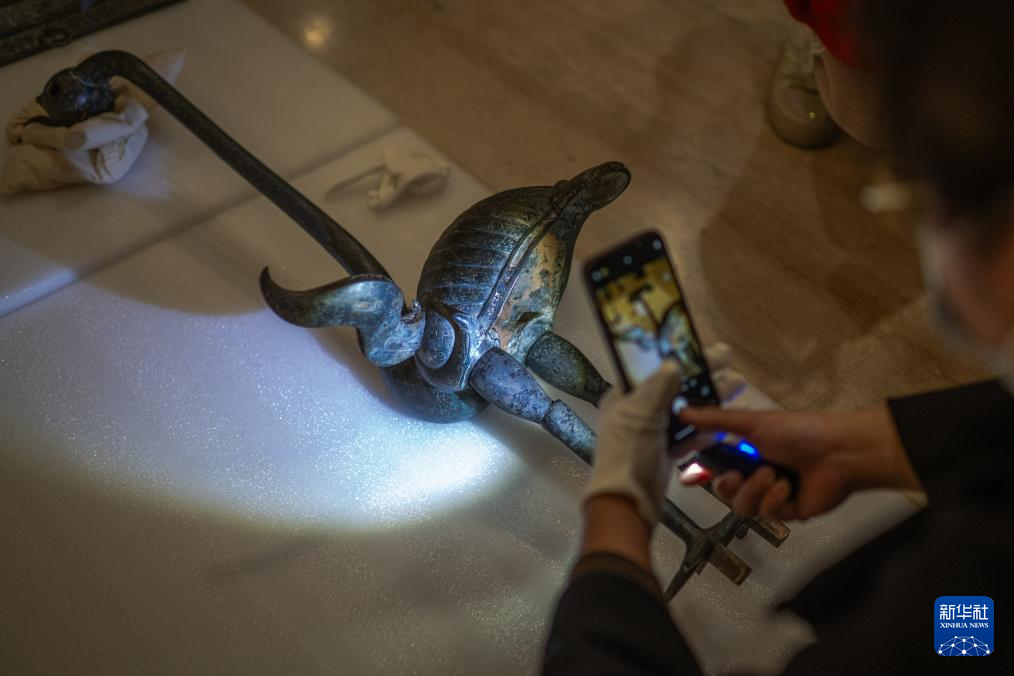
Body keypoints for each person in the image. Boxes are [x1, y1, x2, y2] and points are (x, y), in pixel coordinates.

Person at [541, 1, 1014, 673]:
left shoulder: (957, 602)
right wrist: (860, 448)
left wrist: (618, 504)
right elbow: (970, 627)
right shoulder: (967, 612)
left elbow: (956, 634)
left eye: (927, 194)